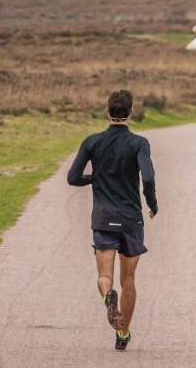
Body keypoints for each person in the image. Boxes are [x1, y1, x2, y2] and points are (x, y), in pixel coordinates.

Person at [66, 89, 159, 351]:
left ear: (107, 112)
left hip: (104, 218)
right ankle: (123, 332)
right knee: (128, 279)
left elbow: (73, 177)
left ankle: (108, 296)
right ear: (131, 112)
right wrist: (152, 204)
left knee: (104, 275)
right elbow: (149, 178)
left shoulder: (92, 141)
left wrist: (93, 178)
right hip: (130, 220)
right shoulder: (139, 143)